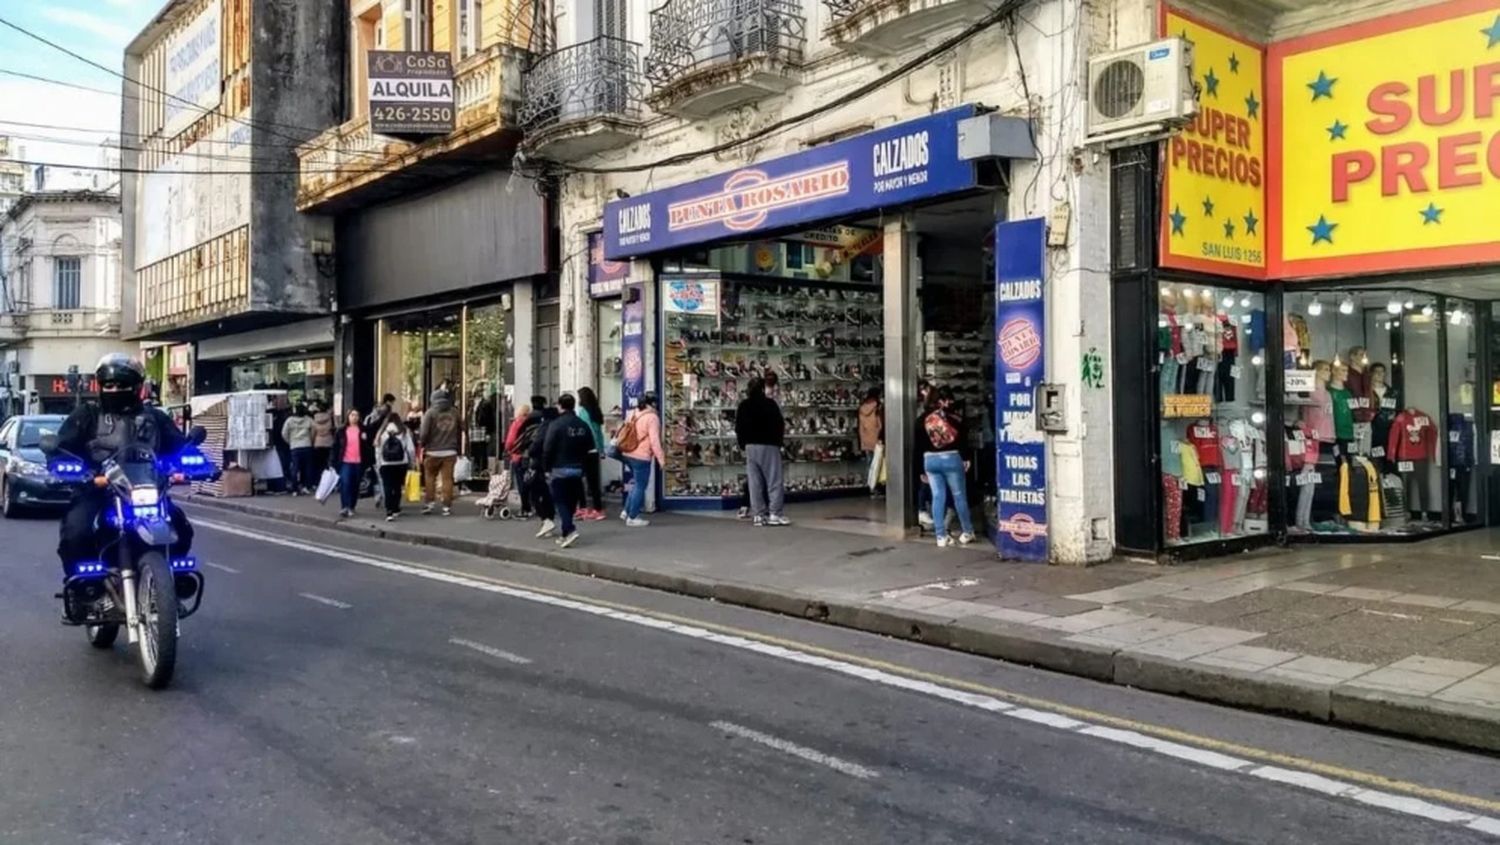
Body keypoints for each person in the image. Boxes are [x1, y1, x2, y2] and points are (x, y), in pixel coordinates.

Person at [54, 354, 195, 578]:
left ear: (137, 386)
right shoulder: (87, 415)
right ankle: (82, 585)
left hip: (146, 490)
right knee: (77, 532)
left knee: (180, 528)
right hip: (97, 490)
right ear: (100, 386)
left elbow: (180, 446)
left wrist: (196, 462)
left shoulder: (155, 418)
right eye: (109, 385)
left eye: (122, 384)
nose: (115, 389)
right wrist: (65, 466)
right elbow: (62, 448)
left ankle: (174, 579)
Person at [917, 387, 975, 547]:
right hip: (952, 458)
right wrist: (966, 457)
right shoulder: (952, 418)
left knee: (937, 497)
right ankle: (967, 532)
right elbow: (963, 437)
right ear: (941, 402)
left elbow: (918, 446)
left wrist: (921, 470)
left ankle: (940, 536)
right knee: (959, 496)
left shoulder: (921, 419)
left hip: (930, 461)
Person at [539, 393, 593, 548]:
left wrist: (546, 468)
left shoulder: (556, 424)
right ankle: (564, 533)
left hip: (559, 468)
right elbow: (589, 448)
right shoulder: (583, 425)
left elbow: (547, 448)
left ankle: (569, 529)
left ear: (560, 406)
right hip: (577, 469)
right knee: (571, 501)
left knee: (560, 501)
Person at [736, 377, 789, 527]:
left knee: (754, 482)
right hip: (769, 445)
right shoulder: (770, 404)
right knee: (774, 480)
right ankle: (775, 513)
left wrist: (743, 445)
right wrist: (779, 443)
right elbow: (779, 425)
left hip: (750, 446)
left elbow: (739, 427)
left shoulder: (744, 405)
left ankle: (758, 515)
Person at [618, 393, 665, 527]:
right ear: (653, 403)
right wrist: (661, 459)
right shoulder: (652, 417)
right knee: (640, 486)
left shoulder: (633, 413)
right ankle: (632, 517)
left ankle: (626, 511)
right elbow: (654, 441)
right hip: (641, 456)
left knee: (637, 484)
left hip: (628, 452)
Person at [419, 389, 461, 516]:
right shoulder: (455, 412)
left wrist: (423, 444)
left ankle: (429, 504)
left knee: (430, 478)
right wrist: (459, 447)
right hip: (450, 451)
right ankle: (446, 507)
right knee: (448, 479)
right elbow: (461, 429)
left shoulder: (430, 413)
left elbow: (424, 433)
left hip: (432, 451)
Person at [526, 399, 560, 536]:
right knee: (548, 494)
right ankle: (549, 520)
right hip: (555, 464)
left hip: (539, 464)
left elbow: (536, 447)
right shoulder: (558, 426)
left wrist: (531, 452)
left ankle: (546, 519)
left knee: (535, 493)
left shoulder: (545, 427)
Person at [374, 411, 415, 522]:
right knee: (397, 486)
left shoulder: (381, 433)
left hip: (385, 463)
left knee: (387, 486)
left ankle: (389, 511)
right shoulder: (404, 431)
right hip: (401, 463)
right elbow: (410, 449)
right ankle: (396, 508)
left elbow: (377, 449)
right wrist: (412, 462)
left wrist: (378, 463)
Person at [330, 409, 370, 518]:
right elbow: (336, 447)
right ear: (348, 416)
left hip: (358, 461)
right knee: (345, 483)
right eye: (352, 415)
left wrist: (365, 439)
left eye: (357, 415)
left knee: (355, 485)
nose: (354, 417)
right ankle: (345, 507)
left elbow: (368, 447)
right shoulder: (341, 430)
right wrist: (333, 462)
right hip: (345, 461)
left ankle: (352, 506)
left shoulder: (362, 430)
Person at [574, 386, 607, 520]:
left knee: (578, 479)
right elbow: (598, 432)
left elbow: (587, 430)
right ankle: (597, 508)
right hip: (594, 451)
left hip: (585, 450)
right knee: (594, 481)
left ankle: (583, 507)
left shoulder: (583, 412)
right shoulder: (596, 411)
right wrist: (601, 449)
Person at [503, 402, 533, 517]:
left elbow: (510, 442)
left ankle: (525, 508)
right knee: (529, 482)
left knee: (521, 483)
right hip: (530, 457)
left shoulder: (516, 424)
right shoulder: (532, 425)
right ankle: (531, 507)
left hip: (518, 457)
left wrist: (508, 450)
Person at [281, 403, 315, 495]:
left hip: (295, 446)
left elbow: (284, 433)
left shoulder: (289, 420)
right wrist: (310, 441)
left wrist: (290, 441)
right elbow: (314, 430)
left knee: (295, 468)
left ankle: (294, 488)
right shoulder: (309, 420)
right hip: (306, 445)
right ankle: (305, 486)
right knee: (307, 467)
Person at [858, 387, 884, 496]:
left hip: (865, 439)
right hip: (877, 439)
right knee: (879, 465)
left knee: (870, 464)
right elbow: (880, 424)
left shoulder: (862, 408)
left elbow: (860, 426)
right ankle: (878, 488)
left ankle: (870, 488)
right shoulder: (877, 407)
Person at [310, 401, 335, 473]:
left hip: (318, 443)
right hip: (329, 442)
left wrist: (312, 442)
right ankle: (327, 477)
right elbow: (333, 429)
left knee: (318, 462)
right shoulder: (330, 417)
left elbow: (313, 431)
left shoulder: (315, 418)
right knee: (327, 462)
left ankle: (319, 478)